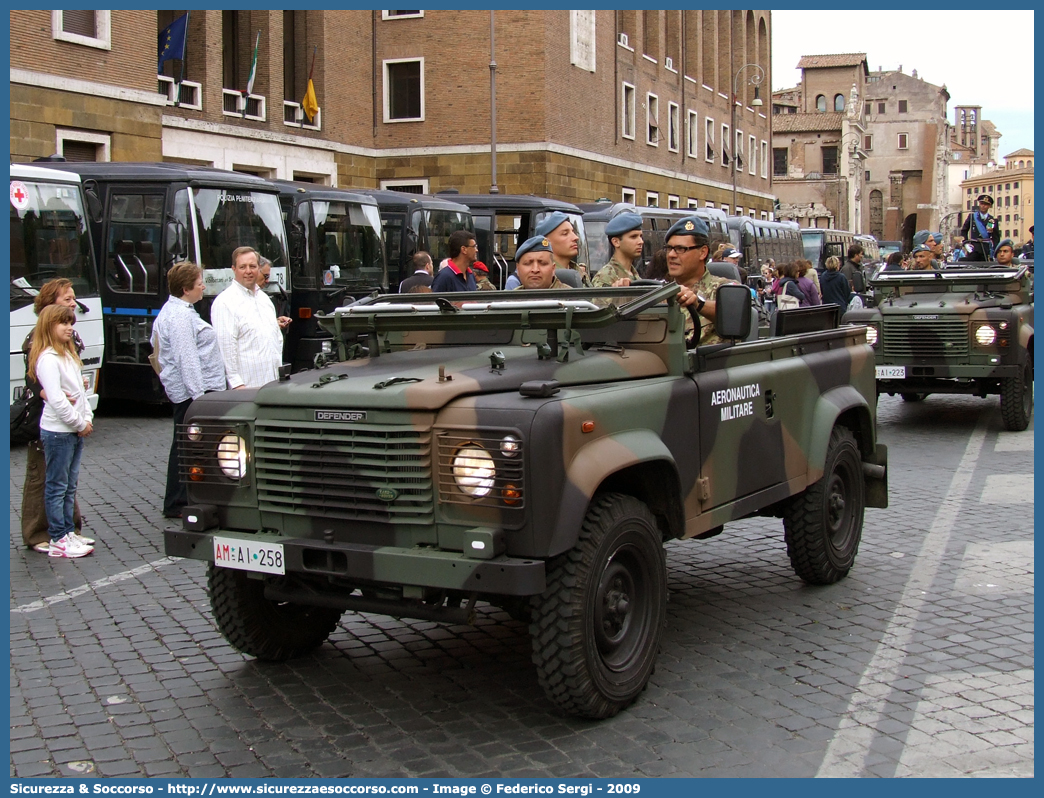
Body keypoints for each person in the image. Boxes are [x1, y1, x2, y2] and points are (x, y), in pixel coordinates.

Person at [152, 262, 227, 519]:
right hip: (193, 393)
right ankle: (179, 499)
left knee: (184, 445)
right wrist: (199, 397)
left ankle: (180, 498)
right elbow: (188, 358)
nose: (203, 287)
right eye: (199, 283)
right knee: (188, 447)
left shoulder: (173, 311)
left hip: (187, 390)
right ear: (186, 289)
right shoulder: (181, 316)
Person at [19, 279, 90, 553]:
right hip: (47, 420)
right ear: (50, 305)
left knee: (65, 478)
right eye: (67, 299)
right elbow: (36, 381)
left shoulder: (67, 336)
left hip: (68, 416)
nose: (73, 303)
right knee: (45, 477)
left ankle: (68, 529)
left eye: (73, 298)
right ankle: (40, 533)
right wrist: (53, 395)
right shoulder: (39, 341)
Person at [211, 246, 286, 389]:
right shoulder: (225, 302)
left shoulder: (264, 299)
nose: (248, 271)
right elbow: (226, 347)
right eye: (242, 267)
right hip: (247, 388)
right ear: (234, 269)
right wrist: (237, 384)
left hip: (272, 383)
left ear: (258, 268)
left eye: (252, 266)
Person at [664, 216, 734, 346]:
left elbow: (733, 314)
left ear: (702, 252)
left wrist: (698, 303)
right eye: (669, 248)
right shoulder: (661, 294)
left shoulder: (724, 289)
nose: (671, 255)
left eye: (680, 249)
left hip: (709, 364)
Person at [534, 211, 591, 287]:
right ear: (547, 242)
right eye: (565, 234)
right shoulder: (545, 278)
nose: (575, 238)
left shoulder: (577, 271)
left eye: (573, 232)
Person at [592, 212, 644, 287]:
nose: (641, 241)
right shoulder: (605, 278)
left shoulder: (634, 274)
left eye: (641, 236)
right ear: (616, 242)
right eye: (633, 237)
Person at [958, 195, 1000, 262]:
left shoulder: (992, 220)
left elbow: (996, 237)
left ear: (990, 206)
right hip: (974, 248)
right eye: (981, 203)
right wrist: (965, 243)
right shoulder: (972, 217)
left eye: (986, 204)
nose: (983, 206)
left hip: (986, 249)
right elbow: (964, 231)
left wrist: (994, 250)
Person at [258, 256, 292, 322]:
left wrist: (276, 323)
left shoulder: (262, 296)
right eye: (266, 276)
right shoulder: (238, 298)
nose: (267, 281)